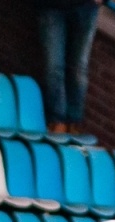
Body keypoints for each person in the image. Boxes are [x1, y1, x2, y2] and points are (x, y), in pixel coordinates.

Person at [34, 0, 104, 134]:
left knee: (79, 69)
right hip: (52, 7)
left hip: (87, 8)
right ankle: (57, 121)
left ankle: (73, 122)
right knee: (54, 67)